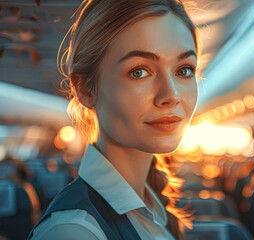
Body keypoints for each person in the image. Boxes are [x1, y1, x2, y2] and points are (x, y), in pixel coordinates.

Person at [28, 0, 200, 239]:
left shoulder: (152, 209)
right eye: (139, 71)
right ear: (86, 89)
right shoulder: (73, 231)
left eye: (184, 70)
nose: (170, 95)